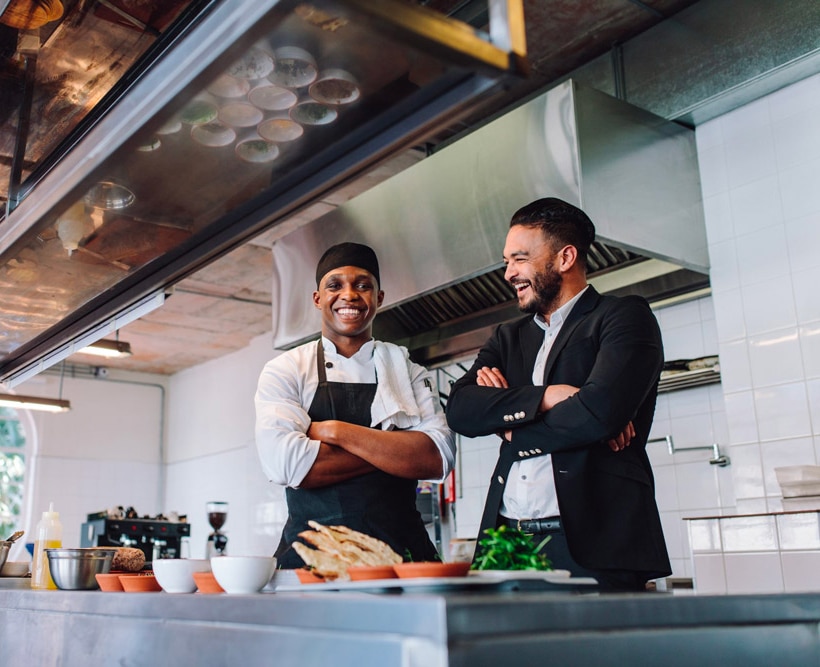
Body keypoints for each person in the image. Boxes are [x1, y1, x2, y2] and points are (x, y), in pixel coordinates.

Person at [446, 197, 671, 592]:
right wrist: (546, 397)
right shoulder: (508, 337)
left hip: (594, 544)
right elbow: (462, 411)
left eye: (519, 259)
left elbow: (598, 413)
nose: (508, 273)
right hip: (508, 540)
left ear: (565, 257)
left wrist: (510, 428)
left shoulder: (623, 317)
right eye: (506, 262)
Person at [255, 242, 455, 568]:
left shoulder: (408, 370)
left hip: (401, 557)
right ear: (318, 299)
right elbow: (286, 466)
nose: (349, 294)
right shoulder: (287, 369)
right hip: (312, 559)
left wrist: (334, 431)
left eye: (363, 285)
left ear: (379, 298)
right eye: (335, 285)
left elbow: (437, 458)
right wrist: (396, 450)